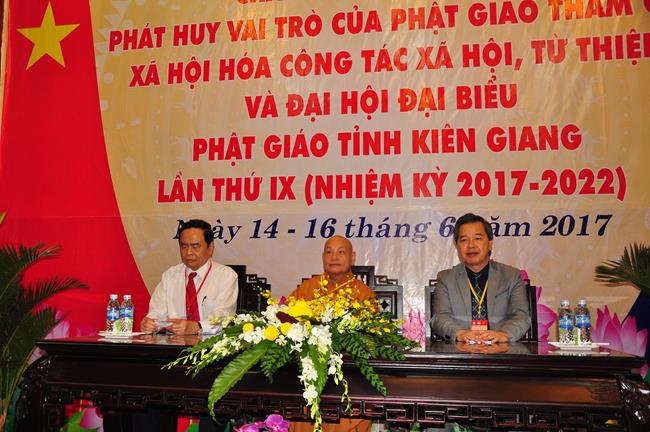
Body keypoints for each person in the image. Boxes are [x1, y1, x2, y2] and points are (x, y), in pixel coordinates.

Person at [289, 235, 374, 432]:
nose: (334, 257)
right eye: (329, 252)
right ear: (322, 257)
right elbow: (286, 317)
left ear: (353, 257)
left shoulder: (364, 293)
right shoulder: (308, 287)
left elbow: (370, 338)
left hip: (348, 373)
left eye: (340, 252)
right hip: (308, 371)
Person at [431, 213, 530, 343]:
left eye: (477, 238)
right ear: (457, 245)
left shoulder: (511, 276)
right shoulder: (446, 279)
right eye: (464, 240)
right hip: (461, 349)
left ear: (490, 243)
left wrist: (503, 335)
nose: (471, 245)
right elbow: (439, 318)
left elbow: (521, 316)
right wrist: (459, 333)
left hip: (500, 349)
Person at [141, 219, 238, 335]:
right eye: (184, 247)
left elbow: (224, 318)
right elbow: (156, 313)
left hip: (211, 342)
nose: (188, 252)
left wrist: (197, 327)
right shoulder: (170, 276)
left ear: (210, 248)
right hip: (173, 342)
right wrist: (151, 323)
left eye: (195, 246)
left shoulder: (226, 276)